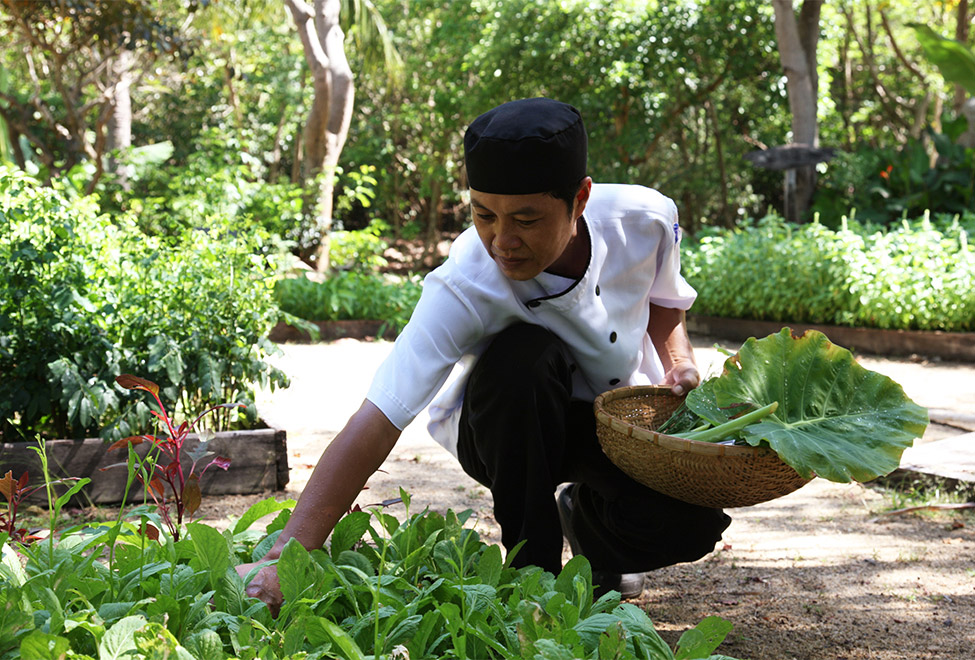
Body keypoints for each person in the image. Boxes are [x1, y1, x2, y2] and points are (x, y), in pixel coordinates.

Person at [237, 97, 731, 612]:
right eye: (483, 215)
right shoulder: (465, 283)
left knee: (693, 526)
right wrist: (283, 555)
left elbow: (662, 297)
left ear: (580, 199)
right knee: (524, 357)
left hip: (616, 423)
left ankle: (585, 528)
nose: (502, 240)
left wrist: (678, 362)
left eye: (525, 219)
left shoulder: (646, 219)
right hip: (505, 426)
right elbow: (379, 417)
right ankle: (532, 583)